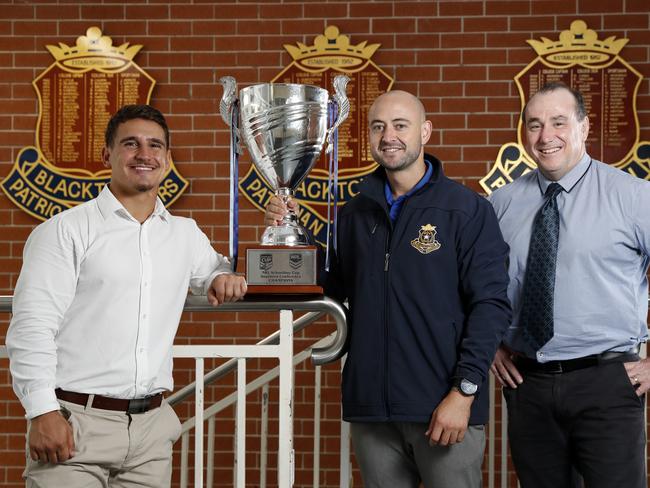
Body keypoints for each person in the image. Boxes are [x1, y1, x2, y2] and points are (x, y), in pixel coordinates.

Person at [266, 90, 511, 487]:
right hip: (373, 413)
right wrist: (293, 234)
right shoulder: (355, 213)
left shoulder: (466, 210)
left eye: (400, 125)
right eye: (378, 127)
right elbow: (332, 285)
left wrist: (463, 393)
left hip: (442, 407)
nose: (388, 136)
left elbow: (491, 306)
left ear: (425, 132)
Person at [6, 104, 247, 487]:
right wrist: (41, 412)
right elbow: (32, 326)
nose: (144, 154)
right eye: (130, 144)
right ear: (107, 155)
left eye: (155, 146)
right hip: (76, 425)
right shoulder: (66, 231)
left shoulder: (184, 234)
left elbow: (213, 270)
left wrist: (223, 276)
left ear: (167, 159)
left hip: (151, 432)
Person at [489, 82, 650, 488]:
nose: (546, 137)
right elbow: (477, 288)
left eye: (559, 122)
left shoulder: (633, 197)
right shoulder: (501, 204)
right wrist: (490, 347)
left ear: (585, 126)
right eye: (534, 125)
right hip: (528, 386)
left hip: (609, 383)